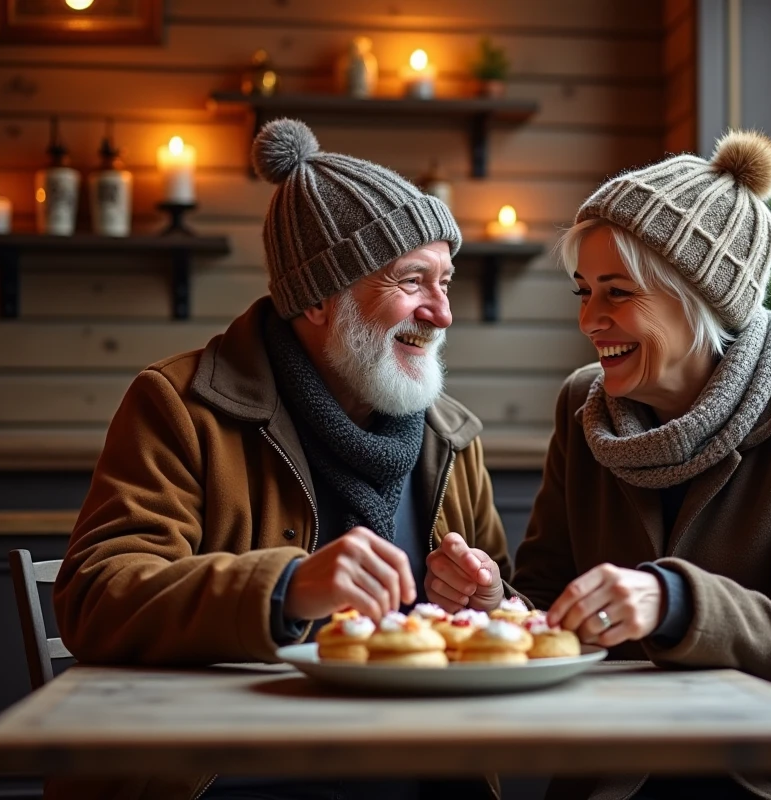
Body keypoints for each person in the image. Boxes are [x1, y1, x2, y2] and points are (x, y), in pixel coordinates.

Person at [431, 131, 771, 799]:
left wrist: (672, 602)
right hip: (630, 766)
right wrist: (499, 604)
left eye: (617, 292)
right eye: (584, 292)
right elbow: (551, 605)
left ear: (700, 297)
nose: (591, 319)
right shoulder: (581, 408)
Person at [50, 118, 508, 800]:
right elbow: (96, 597)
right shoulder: (178, 406)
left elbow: (512, 612)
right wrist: (285, 587)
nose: (441, 313)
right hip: (225, 779)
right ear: (321, 298)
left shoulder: (451, 437)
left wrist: (492, 600)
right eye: (413, 281)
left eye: (445, 280)